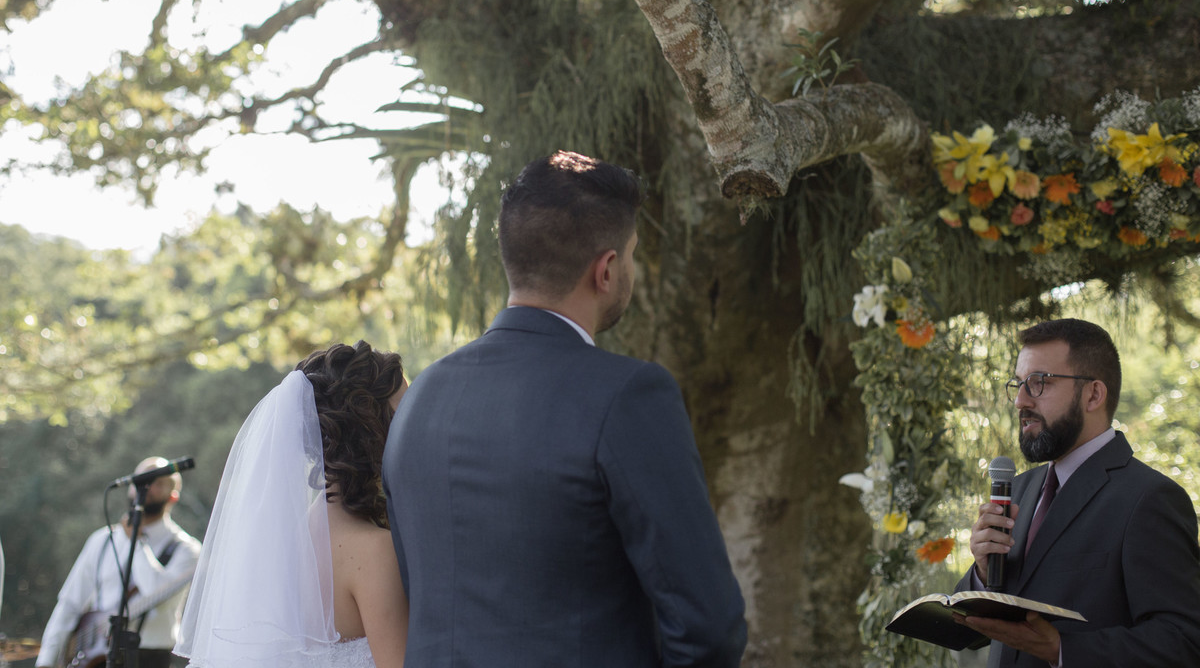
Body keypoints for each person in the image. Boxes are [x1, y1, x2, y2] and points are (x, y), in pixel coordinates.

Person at [383, 150, 747, 667]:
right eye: (634, 254)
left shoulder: (420, 399)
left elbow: (421, 594)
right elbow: (709, 627)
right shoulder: (629, 396)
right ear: (607, 269)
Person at [956, 318, 1200, 667]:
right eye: (1018, 384)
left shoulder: (1150, 499)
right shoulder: (1020, 489)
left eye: (1039, 383)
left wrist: (1061, 650)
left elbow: (1183, 642)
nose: (1020, 401)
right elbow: (977, 633)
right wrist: (981, 573)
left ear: (1094, 394)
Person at [174, 341, 409, 668]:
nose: (413, 427)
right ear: (371, 428)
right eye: (404, 413)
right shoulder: (374, 552)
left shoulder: (276, 546)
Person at [37, 457, 202, 668]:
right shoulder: (101, 540)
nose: (147, 487)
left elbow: (154, 592)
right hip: (95, 658)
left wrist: (138, 539)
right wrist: (46, 661)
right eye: (141, 481)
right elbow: (69, 603)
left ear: (173, 496)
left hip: (150, 658)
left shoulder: (187, 549)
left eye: (157, 483)